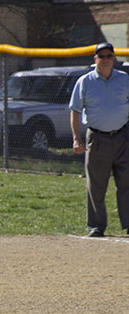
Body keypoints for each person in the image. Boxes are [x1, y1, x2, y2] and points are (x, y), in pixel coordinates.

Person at [69, 42, 129, 237]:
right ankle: (96, 226)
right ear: (95, 59)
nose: (105, 60)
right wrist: (77, 139)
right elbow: (75, 111)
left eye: (109, 56)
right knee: (96, 186)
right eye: (101, 56)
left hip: (123, 137)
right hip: (97, 137)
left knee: (127, 185)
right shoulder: (85, 81)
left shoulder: (124, 79)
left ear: (114, 58)